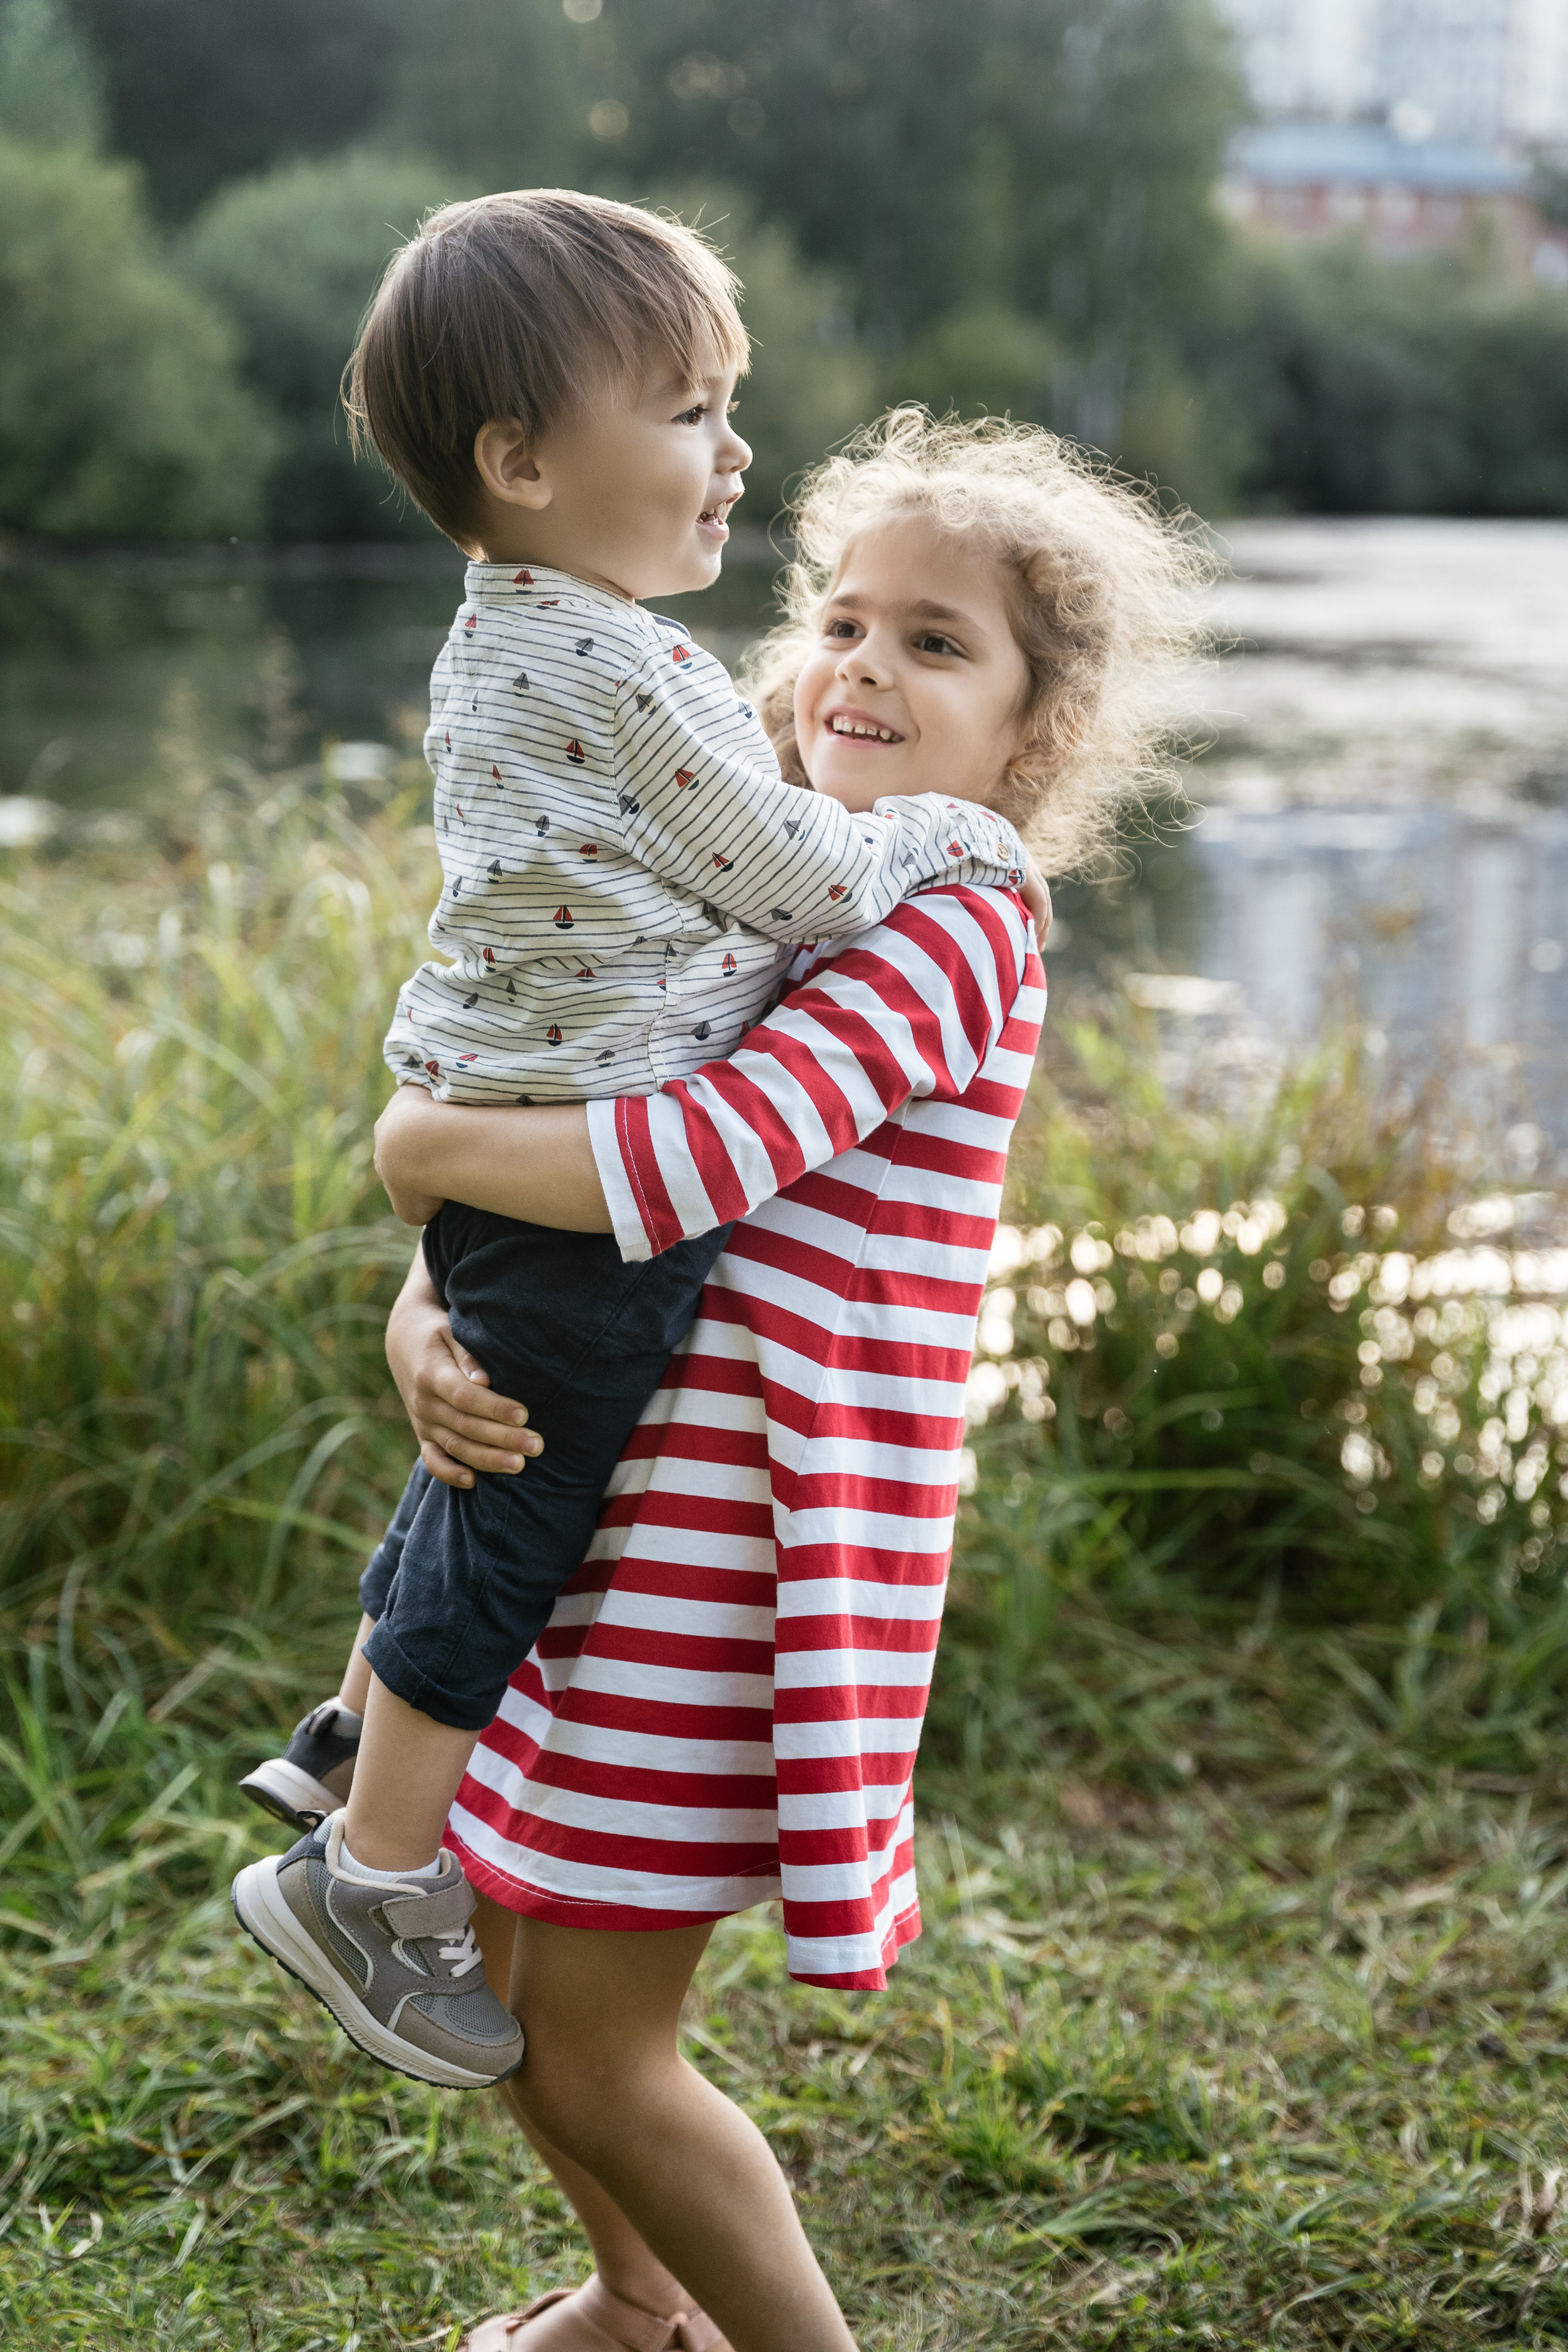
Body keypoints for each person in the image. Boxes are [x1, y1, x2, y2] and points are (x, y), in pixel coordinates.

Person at [358, 413, 1207, 2351]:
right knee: (490, 1937)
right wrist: (431, 1302)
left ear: (1033, 731)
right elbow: (578, 1146)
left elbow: (695, 1157)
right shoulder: (779, 898)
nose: (864, 667)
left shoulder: (963, 913)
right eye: (843, 618)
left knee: (589, 2045)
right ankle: (634, 2307)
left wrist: (417, 1149)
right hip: (617, 1492)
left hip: (744, 1535)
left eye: (938, 641)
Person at [230, 194, 1034, 2096]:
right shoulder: (633, 672)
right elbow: (806, 876)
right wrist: (951, 836)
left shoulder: (511, 645)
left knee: (474, 1461)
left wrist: (421, 1187)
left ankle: (349, 1743)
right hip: (568, 1164)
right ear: (522, 461)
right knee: (507, 1509)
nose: (732, 454)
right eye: (686, 411)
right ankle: (370, 1875)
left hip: (522, 1128)